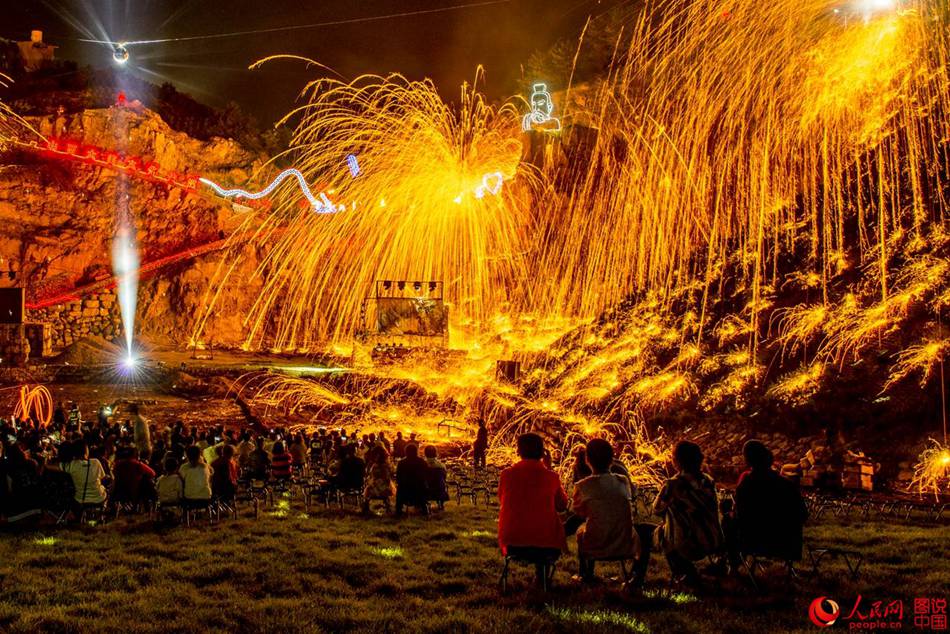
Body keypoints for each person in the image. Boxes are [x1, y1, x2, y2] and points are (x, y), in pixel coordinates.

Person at [498, 433, 568, 586]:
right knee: (545, 528)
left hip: (512, 544)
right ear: (543, 452)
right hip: (546, 547)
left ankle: (539, 578)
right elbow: (562, 505)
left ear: (518, 451)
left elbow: (501, 499)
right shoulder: (551, 477)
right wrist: (549, 468)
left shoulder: (506, 475)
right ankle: (542, 578)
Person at [653, 440, 723, 588]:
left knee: (659, 532)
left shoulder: (672, 485)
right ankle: (695, 574)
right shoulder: (708, 481)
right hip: (712, 540)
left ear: (677, 461)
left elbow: (657, 509)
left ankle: (686, 574)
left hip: (688, 543)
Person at [570, 439, 639, 582]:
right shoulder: (623, 481)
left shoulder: (582, 486)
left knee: (581, 530)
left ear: (587, 459)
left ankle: (585, 574)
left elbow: (579, 512)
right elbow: (632, 494)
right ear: (612, 459)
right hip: (624, 544)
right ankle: (633, 576)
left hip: (595, 545)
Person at [734, 440, 808, 563]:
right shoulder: (788, 485)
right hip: (787, 544)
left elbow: (741, 515)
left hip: (756, 541)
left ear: (747, 460)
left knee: (728, 523)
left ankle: (733, 566)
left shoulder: (746, 485)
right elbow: (803, 514)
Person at [63, 440, 108, 509]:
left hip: (81, 499)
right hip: (99, 498)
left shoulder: (71, 465)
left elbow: (52, 466)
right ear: (86, 450)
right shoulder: (95, 462)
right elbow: (103, 478)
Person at [395, 444, 430, 517]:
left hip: (405, 490)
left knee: (399, 489)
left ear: (406, 452)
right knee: (422, 488)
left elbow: (398, 477)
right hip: (419, 489)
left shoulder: (401, 463)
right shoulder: (422, 462)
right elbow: (426, 475)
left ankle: (398, 510)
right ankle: (424, 509)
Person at [361, 447, 395, 514]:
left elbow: (371, 476)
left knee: (368, 489)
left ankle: (365, 508)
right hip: (385, 489)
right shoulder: (386, 466)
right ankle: (388, 506)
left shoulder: (374, 466)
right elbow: (388, 478)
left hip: (375, 489)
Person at [423, 445, 450, 510]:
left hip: (426, 490)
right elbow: (444, 477)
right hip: (439, 490)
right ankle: (441, 504)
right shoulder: (441, 465)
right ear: (436, 453)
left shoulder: (422, 465)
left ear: (425, 453)